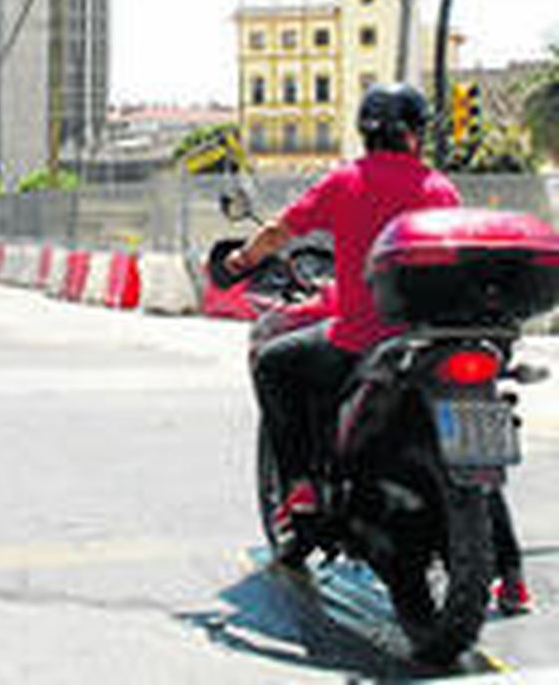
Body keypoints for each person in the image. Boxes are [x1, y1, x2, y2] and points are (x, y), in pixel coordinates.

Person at [226, 82, 530, 610]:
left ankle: (299, 487)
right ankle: (513, 575)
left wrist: (241, 259)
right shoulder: (439, 188)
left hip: (361, 341)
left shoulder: (345, 180)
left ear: (366, 132)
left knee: (273, 364)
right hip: (433, 340)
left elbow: (280, 230)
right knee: (474, 444)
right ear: (415, 134)